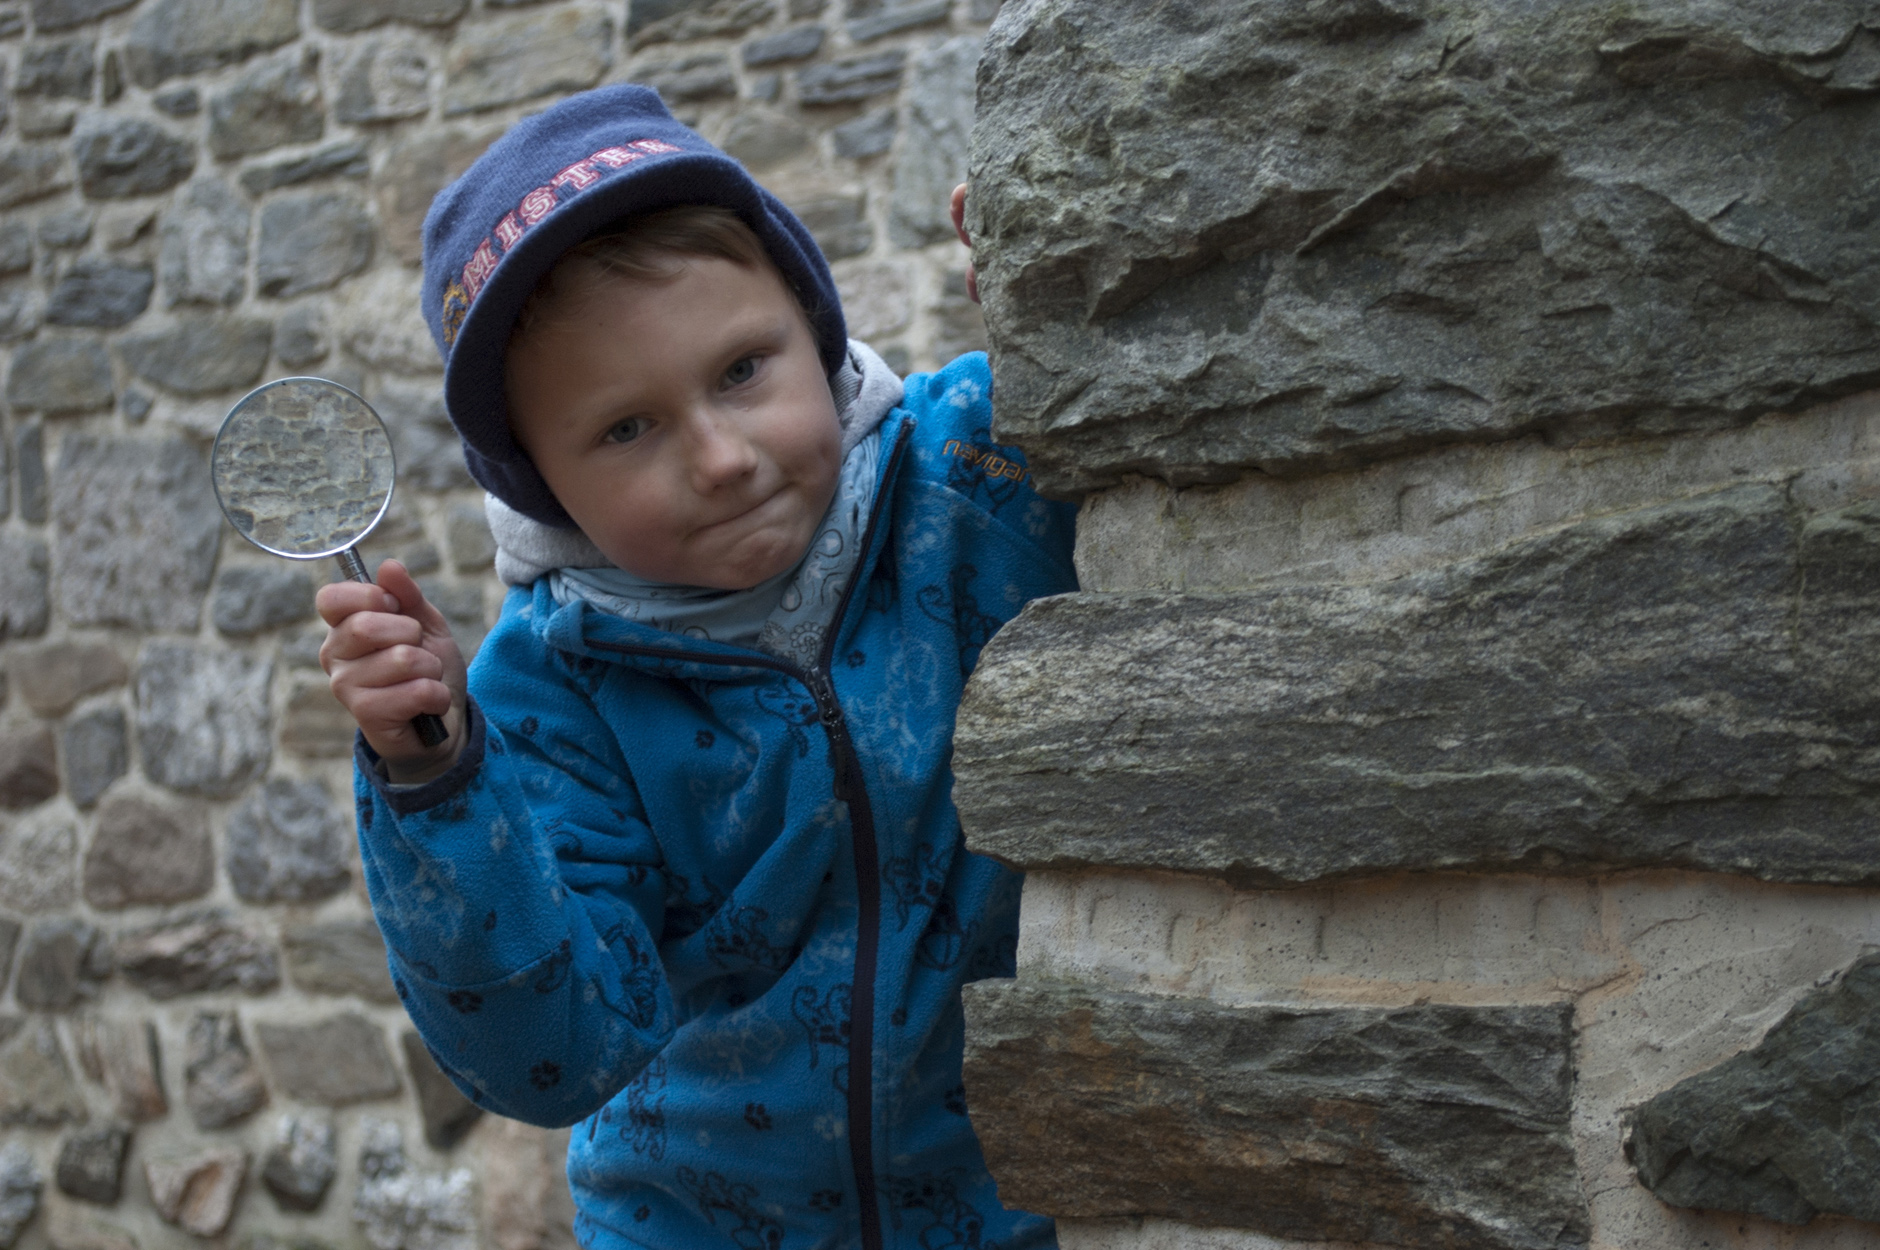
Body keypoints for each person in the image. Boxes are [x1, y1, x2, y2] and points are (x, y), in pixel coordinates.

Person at [316, 84, 1078, 1250]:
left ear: (811, 324)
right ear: (539, 482)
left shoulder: (980, 472)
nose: (720, 459)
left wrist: (1063, 324)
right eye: (626, 429)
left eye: (740, 371)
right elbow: (551, 1049)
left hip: (1027, 1213)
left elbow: (1186, 450)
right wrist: (437, 780)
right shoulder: (548, 692)